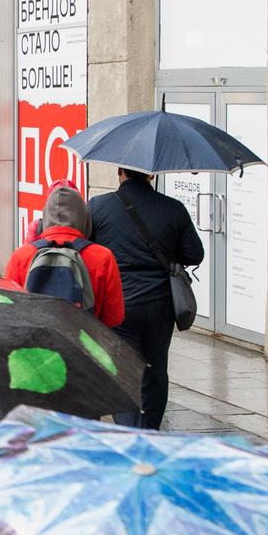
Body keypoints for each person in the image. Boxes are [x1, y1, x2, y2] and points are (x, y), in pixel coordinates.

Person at [89, 168, 203, 430]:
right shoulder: (173, 208)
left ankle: (128, 428)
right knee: (155, 369)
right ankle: (150, 429)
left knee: (121, 367)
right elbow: (194, 254)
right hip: (159, 305)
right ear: (151, 176)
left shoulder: (99, 206)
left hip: (117, 302)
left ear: (119, 172)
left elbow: (87, 249)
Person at [2, 185, 125, 328]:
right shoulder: (103, 257)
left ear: (46, 216)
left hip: (36, 345)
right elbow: (114, 318)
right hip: (83, 344)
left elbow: (9, 311)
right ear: (84, 217)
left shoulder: (21, 256)